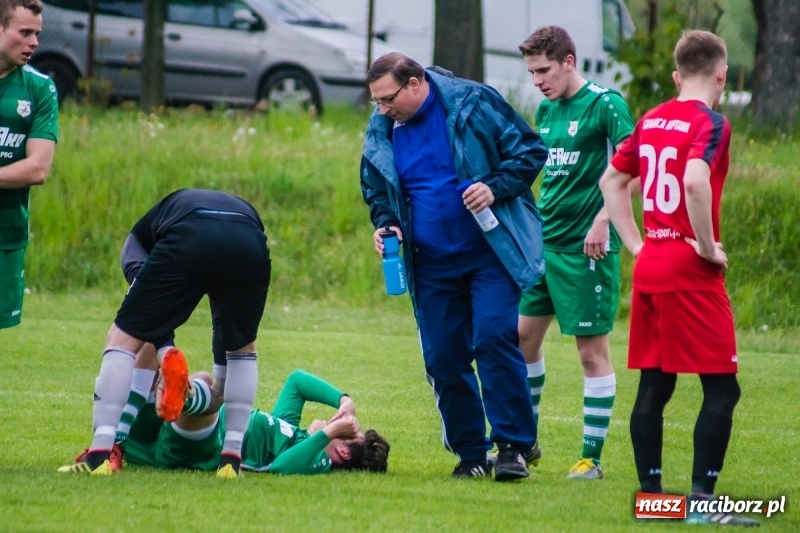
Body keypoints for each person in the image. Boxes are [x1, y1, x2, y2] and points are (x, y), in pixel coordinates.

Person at [360, 52, 547, 481]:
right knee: (443, 356)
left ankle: (514, 448)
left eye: (387, 99)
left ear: (414, 83)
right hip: (429, 264)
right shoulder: (383, 126)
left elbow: (530, 151)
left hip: (489, 253)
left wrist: (493, 187)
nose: (382, 109)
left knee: (494, 338)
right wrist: (386, 224)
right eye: (376, 102)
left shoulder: (472, 103)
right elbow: (375, 186)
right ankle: (470, 454)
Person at [599, 30, 758, 526]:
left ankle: (655, 501)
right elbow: (693, 180)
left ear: (675, 75)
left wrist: (638, 245)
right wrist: (709, 248)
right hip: (690, 271)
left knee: (656, 383)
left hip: (652, 265)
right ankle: (703, 505)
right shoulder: (711, 122)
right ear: (722, 74)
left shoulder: (651, 119)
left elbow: (611, 181)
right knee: (722, 389)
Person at [58, 188, 272, 479]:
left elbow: (148, 305)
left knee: (122, 338)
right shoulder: (183, 210)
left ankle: (100, 454)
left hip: (193, 230)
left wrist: (164, 345)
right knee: (243, 349)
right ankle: (231, 461)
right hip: (249, 238)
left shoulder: (135, 244)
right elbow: (223, 320)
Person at [516, 26, 635, 479]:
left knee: (590, 353)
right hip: (542, 246)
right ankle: (525, 444)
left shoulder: (605, 104)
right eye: (531, 72)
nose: (538, 80)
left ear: (569, 61)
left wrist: (604, 219)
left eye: (544, 70)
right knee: (522, 340)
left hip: (587, 248)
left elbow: (635, 164)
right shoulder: (546, 109)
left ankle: (592, 458)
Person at [71, 368, 390, 475]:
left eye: (352, 433)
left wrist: (332, 431)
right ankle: (115, 439)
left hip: (203, 443)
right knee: (150, 354)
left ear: (344, 453)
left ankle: (180, 397)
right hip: (182, 431)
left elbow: (280, 470)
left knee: (207, 384)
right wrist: (344, 399)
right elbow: (296, 383)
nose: (345, 422)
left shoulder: (317, 459)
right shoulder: (293, 431)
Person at [0, 0, 58, 331]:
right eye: (24, 33)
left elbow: (37, 169)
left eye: (36, 34)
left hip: (6, 232)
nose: (34, 42)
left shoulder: (39, 88)